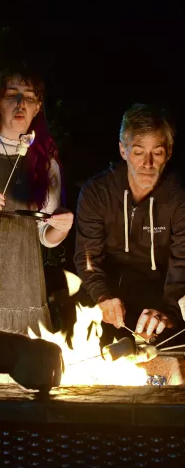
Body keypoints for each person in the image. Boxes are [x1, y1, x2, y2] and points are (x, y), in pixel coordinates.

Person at [0, 66, 73, 336]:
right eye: (12, 95)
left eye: (29, 97)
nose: (21, 103)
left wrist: (63, 225)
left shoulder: (46, 162)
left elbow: (46, 235)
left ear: (38, 107)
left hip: (23, 293)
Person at [74, 103, 185, 345]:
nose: (148, 163)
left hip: (161, 296)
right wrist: (102, 296)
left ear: (169, 152)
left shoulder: (178, 198)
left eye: (157, 152)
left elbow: (182, 263)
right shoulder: (97, 192)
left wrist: (170, 314)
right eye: (138, 152)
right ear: (123, 151)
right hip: (109, 296)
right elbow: (87, 258)